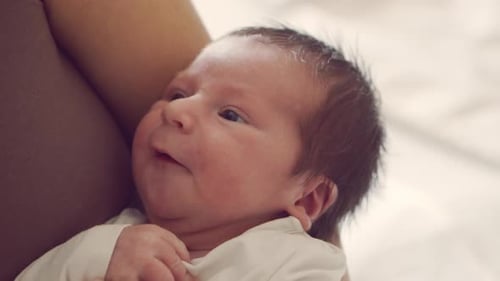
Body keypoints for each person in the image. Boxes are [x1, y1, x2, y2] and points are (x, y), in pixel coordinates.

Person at [16, 26, 384, 281]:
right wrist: (92, 256)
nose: (176, 112)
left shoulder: (295, 264)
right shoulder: (118, 236)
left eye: (230, 114)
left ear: (307, 197)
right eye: (178, 94)